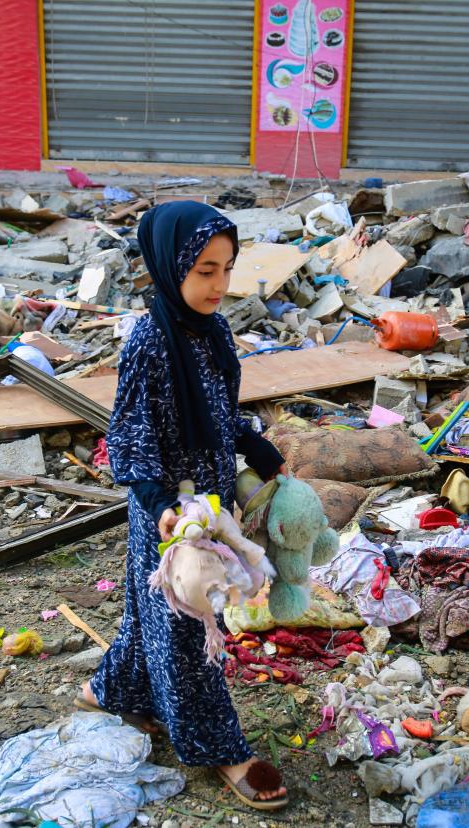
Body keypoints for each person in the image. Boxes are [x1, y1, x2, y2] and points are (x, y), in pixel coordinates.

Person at [74, 202, 291, 811]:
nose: (220, 285)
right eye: (204, 270)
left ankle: (110, 690)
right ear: (171, 269)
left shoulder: (213, 330)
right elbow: (128, 434)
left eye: (227, 268)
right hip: (171, 508)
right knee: (190, 625)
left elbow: (220, 410)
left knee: (153, 612)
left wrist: (257, 448)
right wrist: (160, 504)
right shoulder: (150, 340)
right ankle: (218, 746)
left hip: (209, 498)